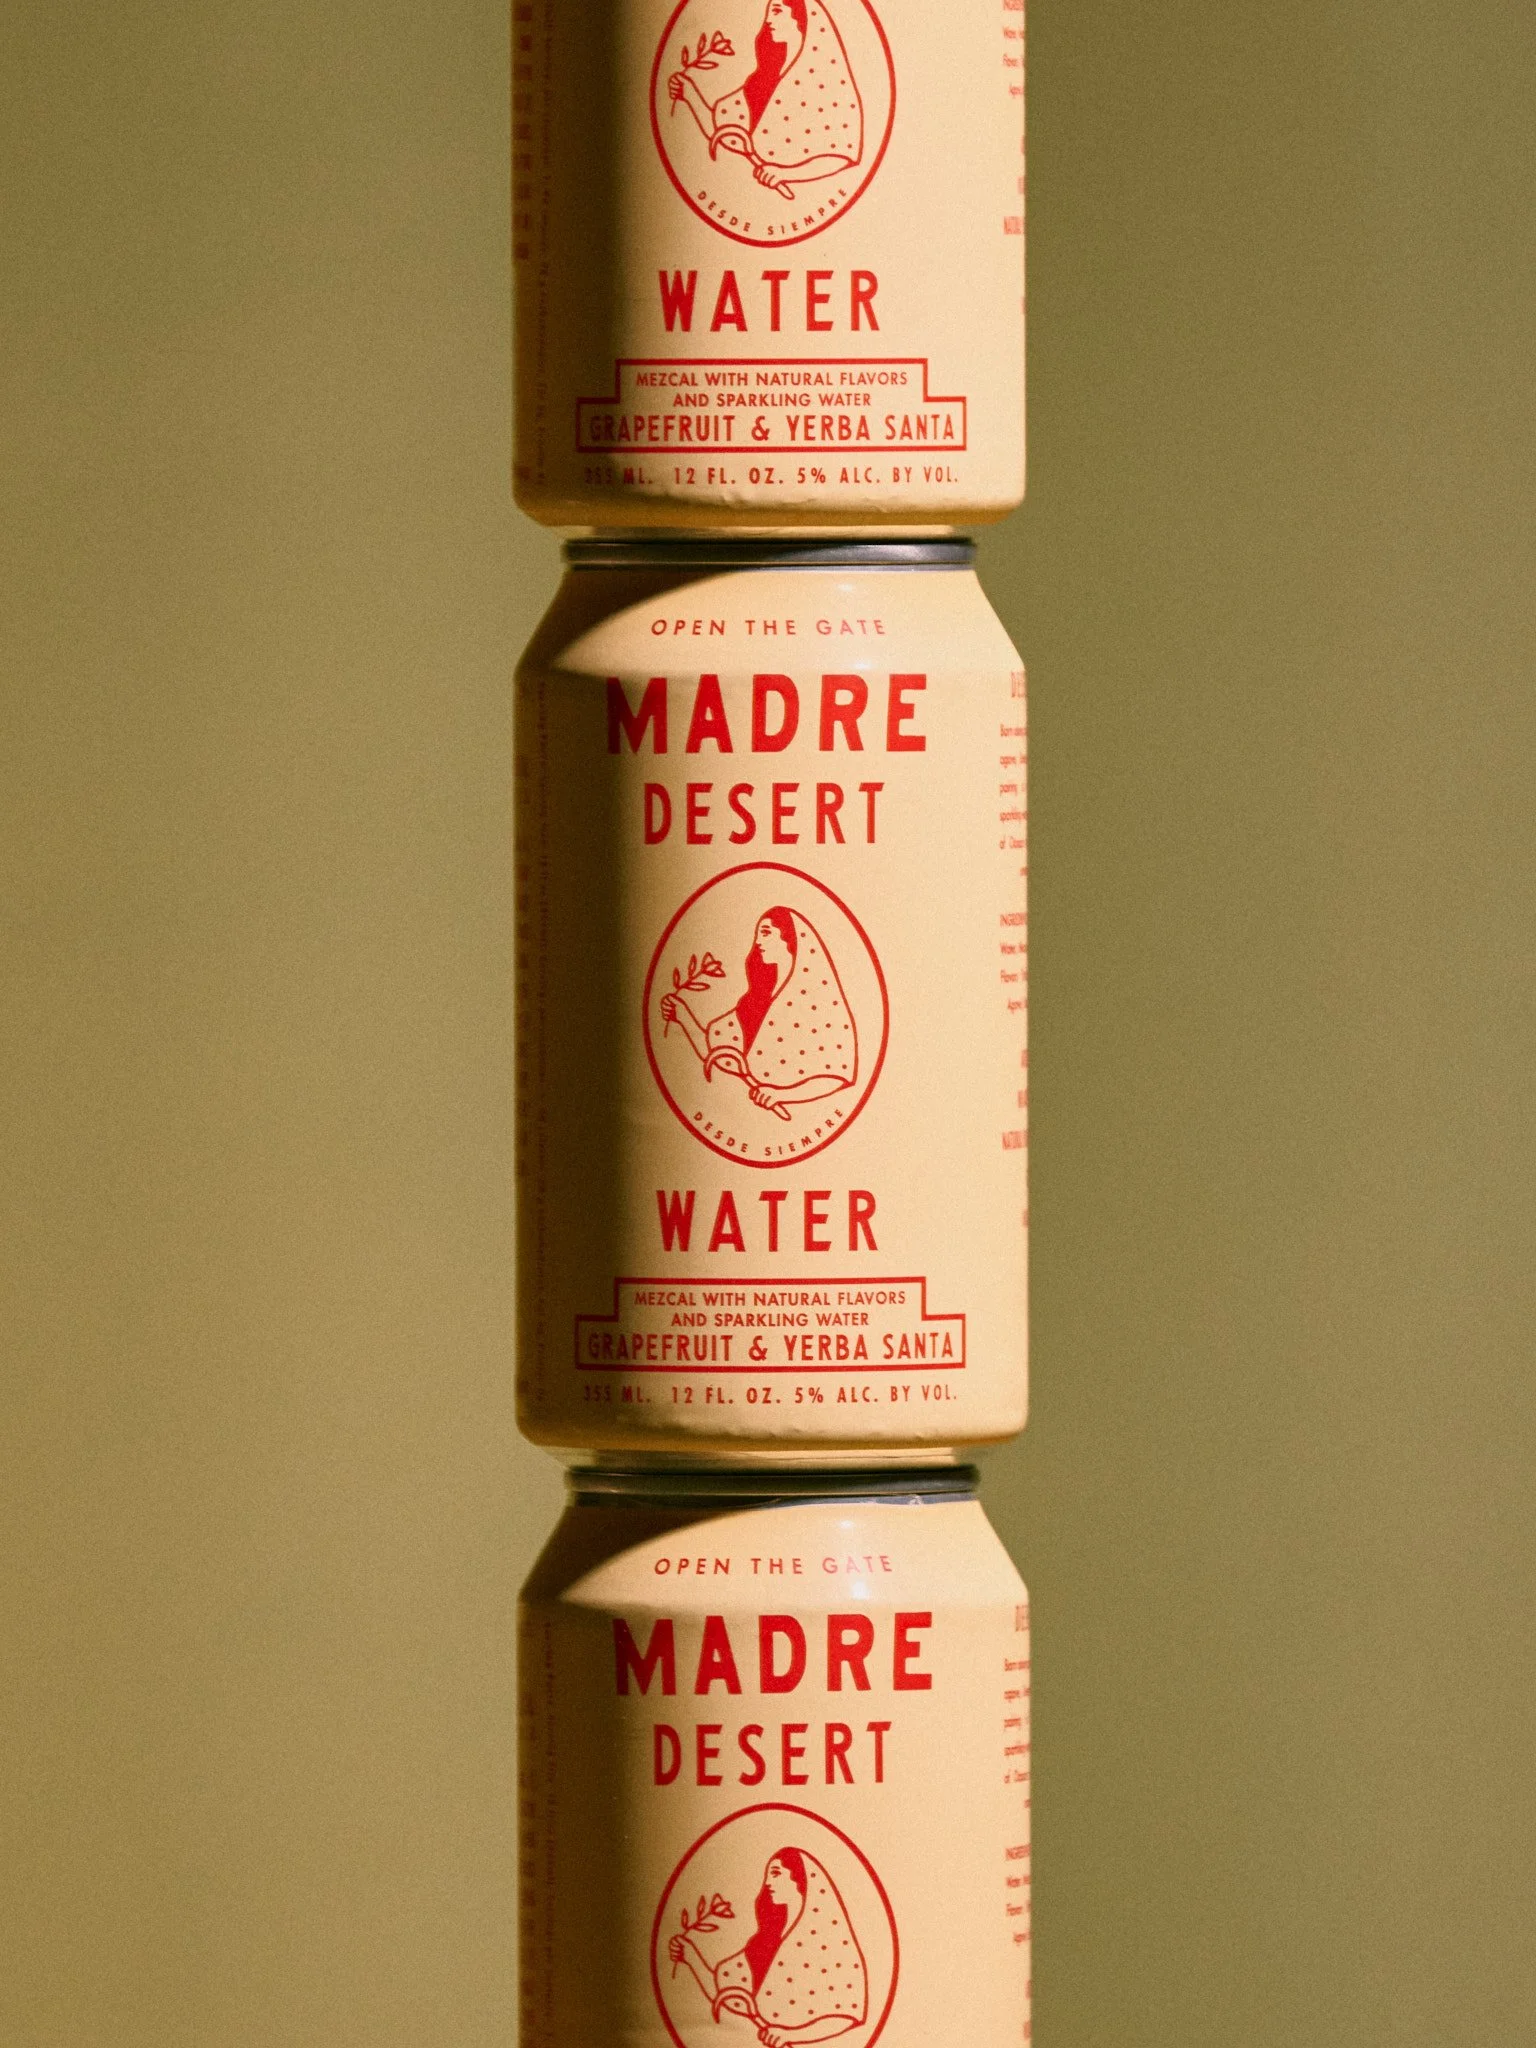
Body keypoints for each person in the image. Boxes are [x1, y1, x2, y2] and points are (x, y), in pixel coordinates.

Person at [659, 907, 857, 1120]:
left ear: (790, 939)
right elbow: (718, 1055)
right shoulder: (757, 999)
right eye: (757, 935)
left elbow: (837, 1075)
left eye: (765, 933)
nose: (758, 942)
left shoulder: (820, 1002)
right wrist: (683, 1017)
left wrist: (782, 1095)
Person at [668, 1848, 868, 2046]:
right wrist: (691, 1957)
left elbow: (846, 2015)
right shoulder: (765, 1942)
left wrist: (792, 2036)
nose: (768, 1883)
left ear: (800, 1881)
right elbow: (729, 1997)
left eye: (776, 1874)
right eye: (768, 1876)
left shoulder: (832, 1945)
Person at [668, 0, 864, 200]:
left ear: (801, 19)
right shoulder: (765, 79)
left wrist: (786, 174)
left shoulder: (829, 84)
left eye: (777, 12)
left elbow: (840, 156)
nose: (768, 20)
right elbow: (725, 132)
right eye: (769, 13)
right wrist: (689, 94)